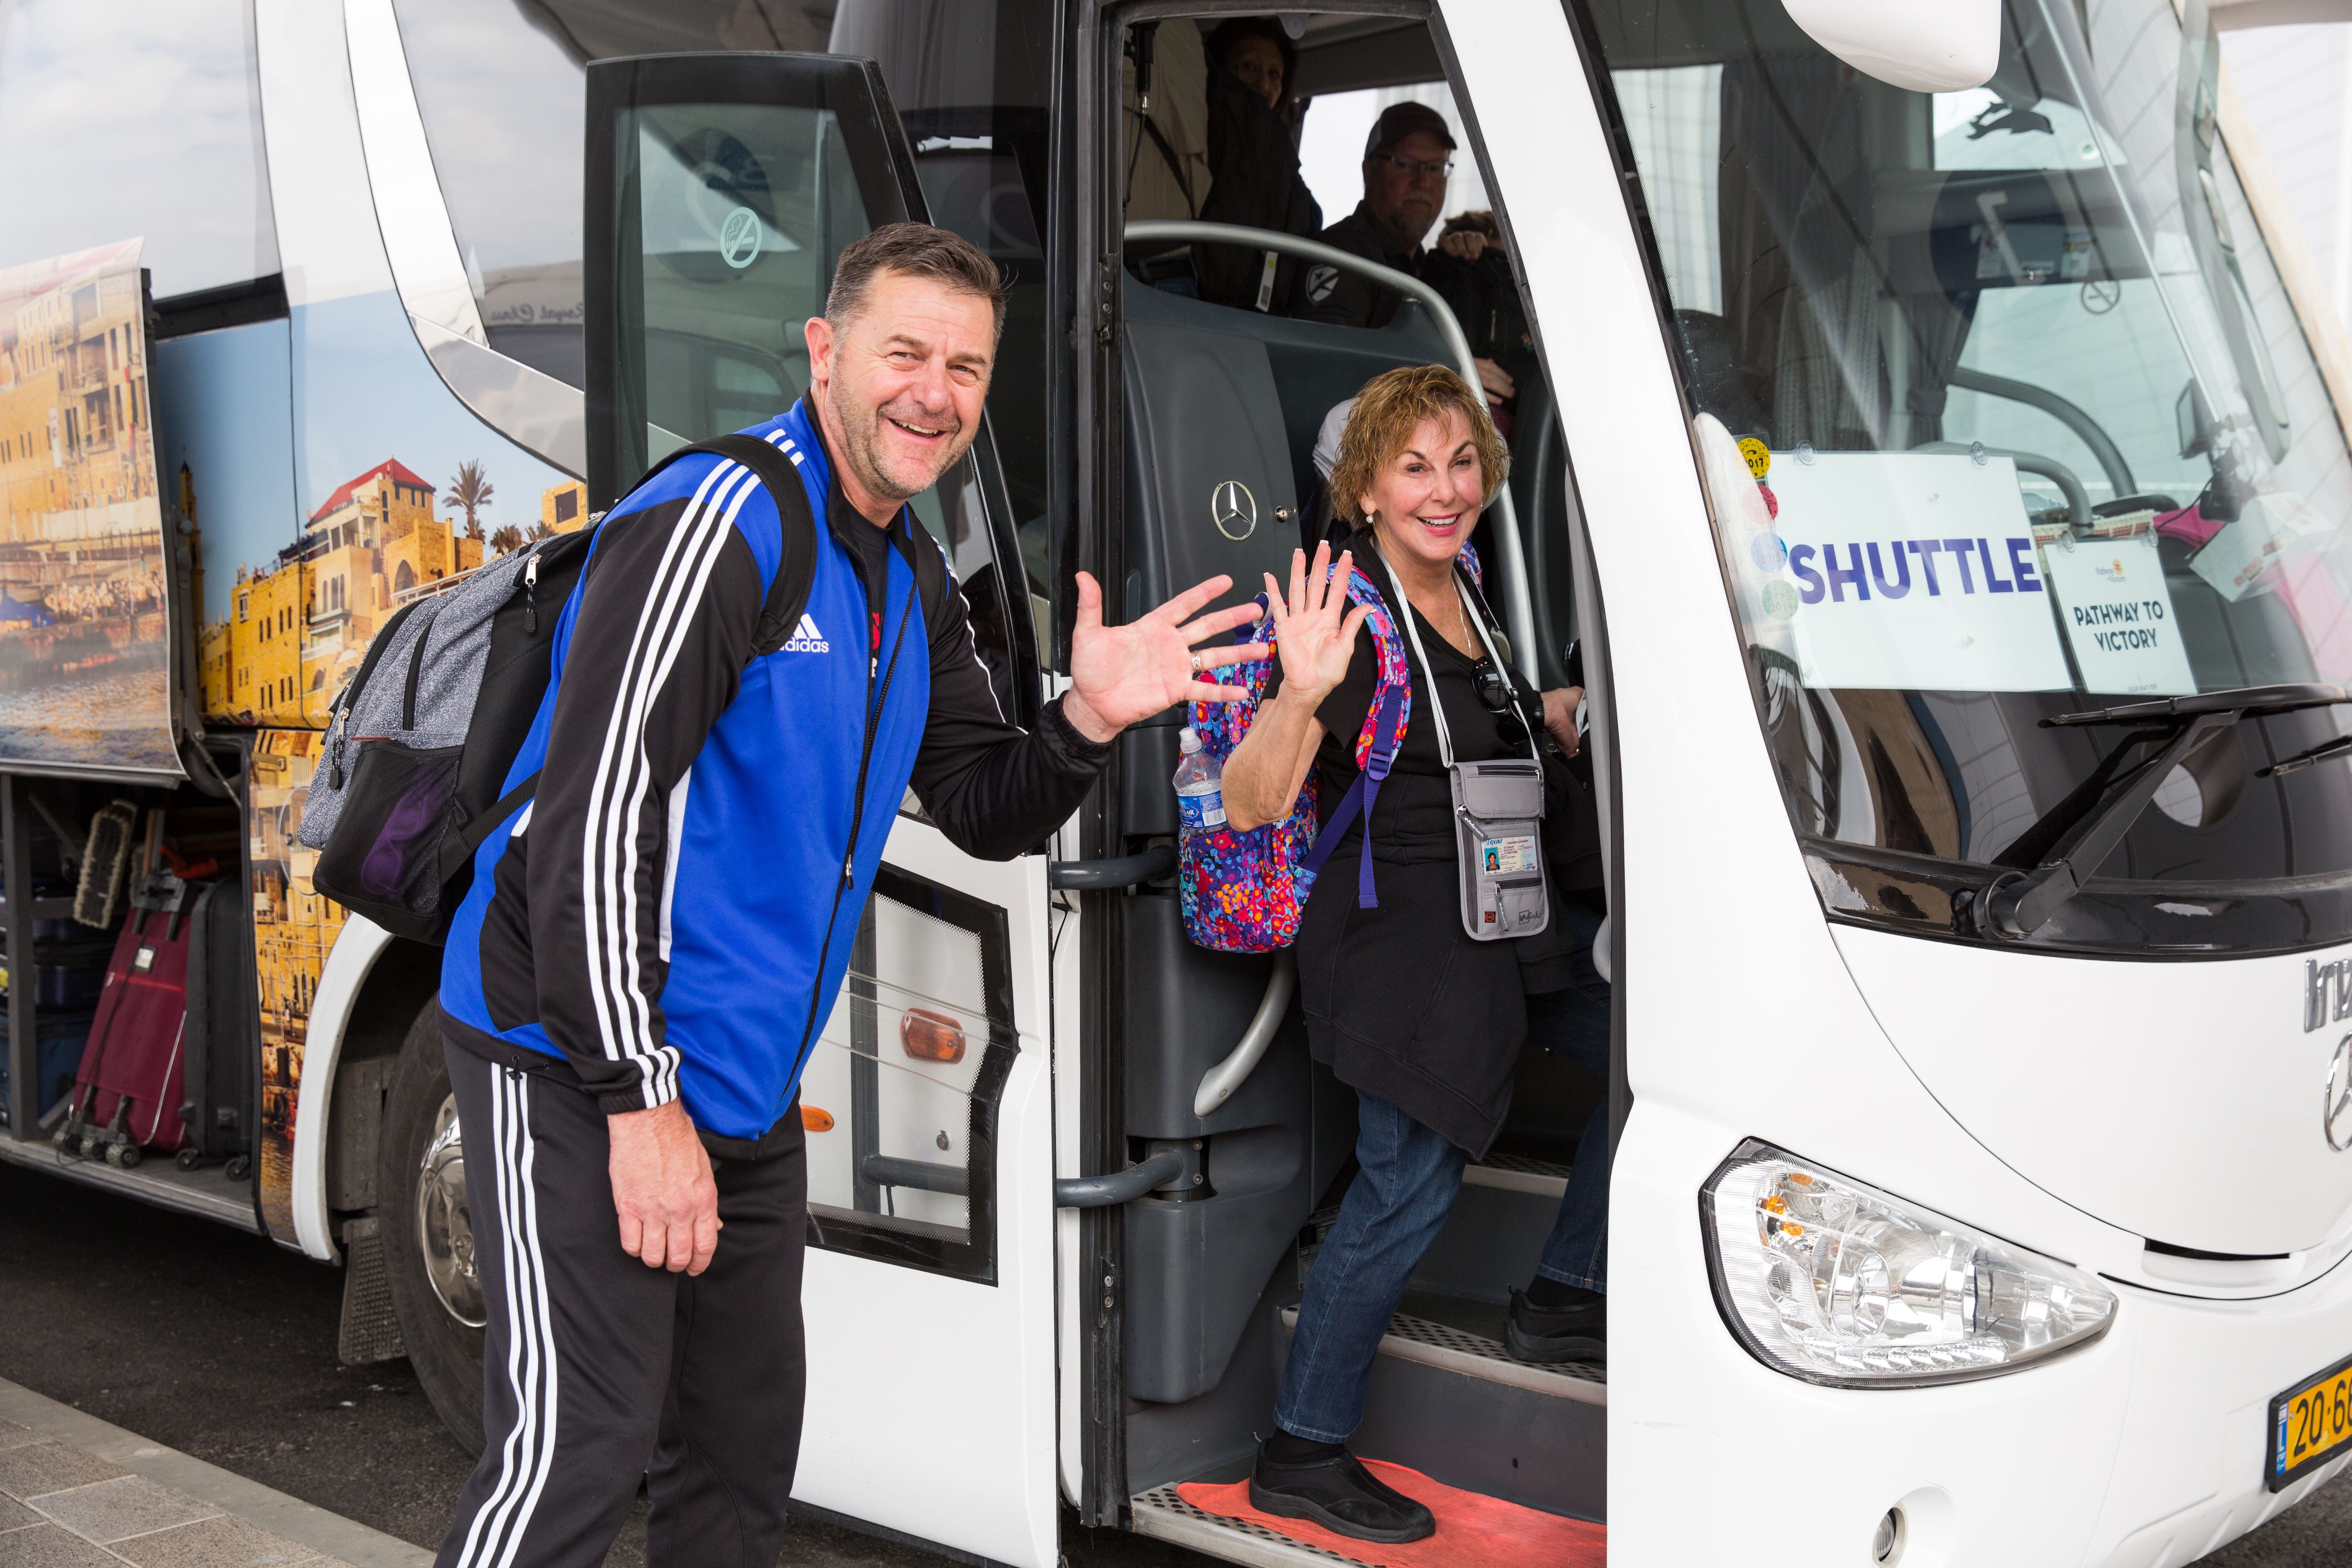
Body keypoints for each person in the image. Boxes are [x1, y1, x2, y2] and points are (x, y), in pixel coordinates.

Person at [431, 223, 1267, 1568]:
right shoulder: (723, 523)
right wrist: (639, 1103)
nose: (933, 392)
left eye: (965, 366)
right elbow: (593, 825)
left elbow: (988, 807)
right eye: (904, 353)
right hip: (572, 1059)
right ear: (826, 352)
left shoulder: (905, 576)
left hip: (742, 1079)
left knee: (739, 1455)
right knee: (573, 1459)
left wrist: (1091, 718)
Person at [1218, 365, 1588, 1544]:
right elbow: (1248, 800)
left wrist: (1554, 709)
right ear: (1365, 487)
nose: (1446, 489)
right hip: (1401, 943)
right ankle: (1304, 1447)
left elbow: (1476, 726)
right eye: (1415, 466)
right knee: (1404, 1190)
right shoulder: (1351, 622)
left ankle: (1566, 1293)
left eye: (1464, 461)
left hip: (1499, 920)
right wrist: (1298, 696)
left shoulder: (1468, 585)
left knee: (1646, 1043)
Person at [1289, 103, 1516, 414]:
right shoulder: (1341, 256)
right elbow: (1332, 373)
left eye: (1436, 168)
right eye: (1405, 164)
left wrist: (1464, 263)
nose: (1423, 182)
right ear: (1370, 171)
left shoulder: (1428, 265)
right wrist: (1448, 372)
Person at [1195, 17, 1321, 311]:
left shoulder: (1282, 159)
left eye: (1275, 74)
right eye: (1249, 66)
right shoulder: (1205, 139)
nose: (1263, 84)